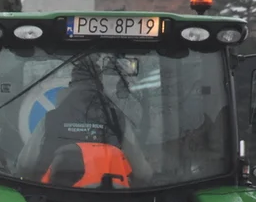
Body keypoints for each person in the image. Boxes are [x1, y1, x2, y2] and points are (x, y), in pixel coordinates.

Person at [16, 58, 153, 188]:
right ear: (100, 88)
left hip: (55, 198)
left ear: (70, 87)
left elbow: (25, 166)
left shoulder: (50, 119)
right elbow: (142, 172)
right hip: (112, 201)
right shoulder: (117, 120)